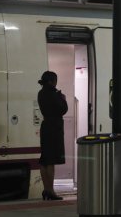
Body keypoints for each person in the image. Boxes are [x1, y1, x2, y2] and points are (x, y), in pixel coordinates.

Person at [37, 71, 68, 200]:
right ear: (51, 81)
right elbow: (63, 109)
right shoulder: (54, 94)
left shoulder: (41, 93)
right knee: (51, 161)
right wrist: (63, 99)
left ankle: (46, 189)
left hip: (45, 126)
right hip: (54, 128)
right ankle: (51, 191)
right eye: (55, 80)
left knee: (44, 159)